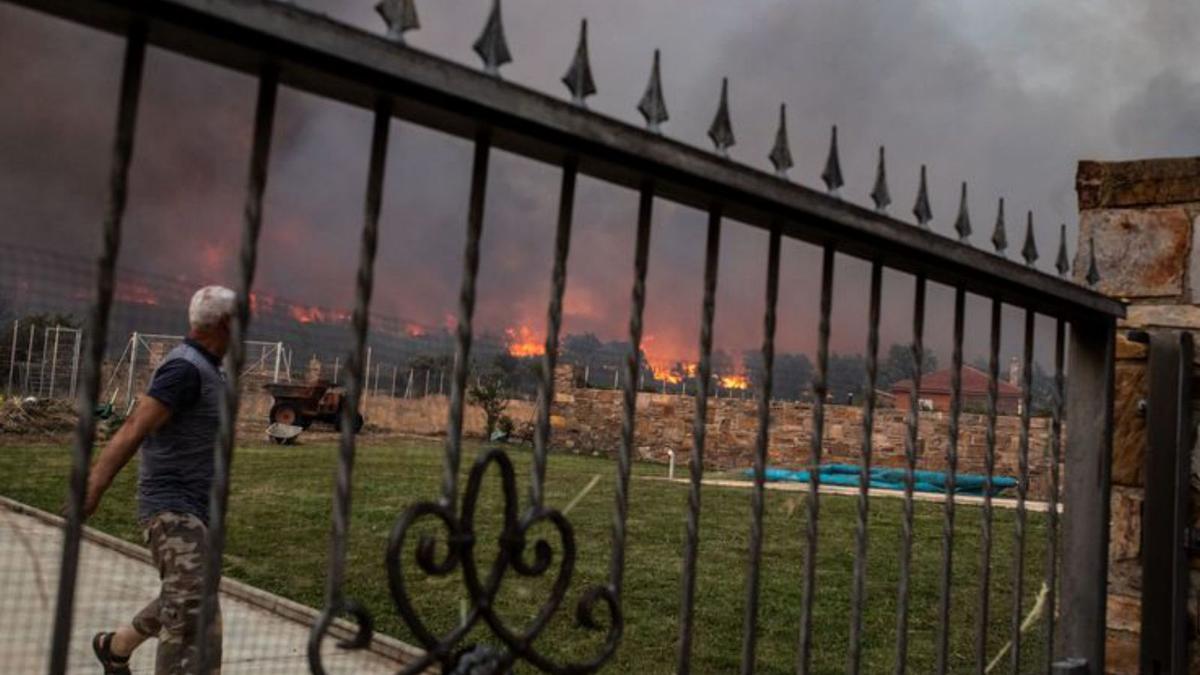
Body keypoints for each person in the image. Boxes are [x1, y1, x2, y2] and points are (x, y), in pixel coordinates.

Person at [85, 286, 235, 675]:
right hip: (171, 507)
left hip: (198, 508)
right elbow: (134, 427)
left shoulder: (208, 366)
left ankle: (115, 646)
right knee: (192, 606)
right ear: (225, 324)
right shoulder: (184, 369)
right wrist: (93, 487)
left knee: (189, 594)